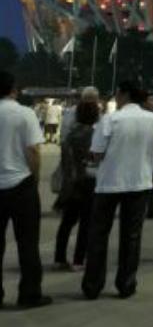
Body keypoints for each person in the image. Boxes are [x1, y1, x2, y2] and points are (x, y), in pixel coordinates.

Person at [82, 82, 153, 300]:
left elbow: (97, 153)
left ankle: (93, 285)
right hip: (140, 183)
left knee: (98, 235)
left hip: (109, 183)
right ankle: (126, 284)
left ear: (124, 95)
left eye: (117, 93)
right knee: (132, 236)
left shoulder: (110, 119)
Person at [0, 70, 50, 309]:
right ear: (14, 89)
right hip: (21, 184)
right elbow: (33, 151)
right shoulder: (24, 113)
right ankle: (30, 293)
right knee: (28, 243)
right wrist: (35, 178)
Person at [54, 97, 100, 270]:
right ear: (95, 116)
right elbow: (96, 159)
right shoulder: (95, 135)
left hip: (72, 183)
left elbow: (66, 162)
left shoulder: (70, 135)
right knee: (86, 223)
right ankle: (78, 260)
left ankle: (59, 258)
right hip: (89, 181)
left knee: (67, 222)